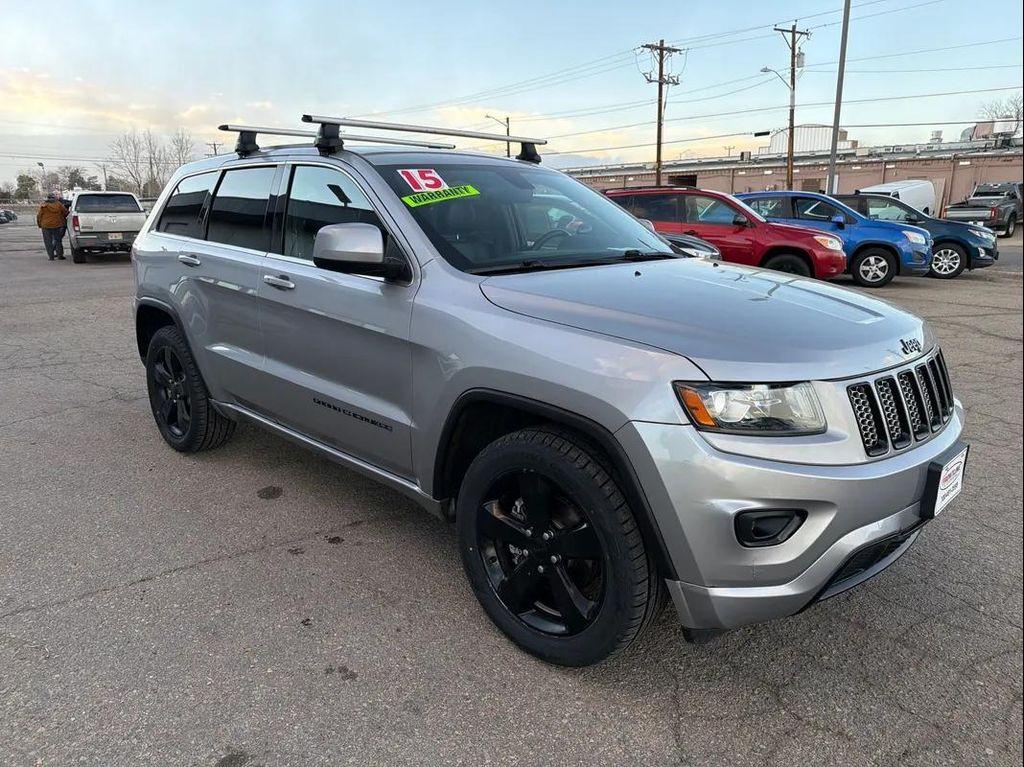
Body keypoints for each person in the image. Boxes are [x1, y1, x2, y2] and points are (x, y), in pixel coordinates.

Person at [36, 192, 68, 261]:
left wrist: (39, 224)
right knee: (58, 241)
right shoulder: (58, 204)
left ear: (48, 198)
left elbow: (39, 216)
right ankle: (60, 255)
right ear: (54, 198)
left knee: (48, 242)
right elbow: (65, 212)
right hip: (57, 225)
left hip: (45, 226)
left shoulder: (44, 205)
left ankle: (51, 257)